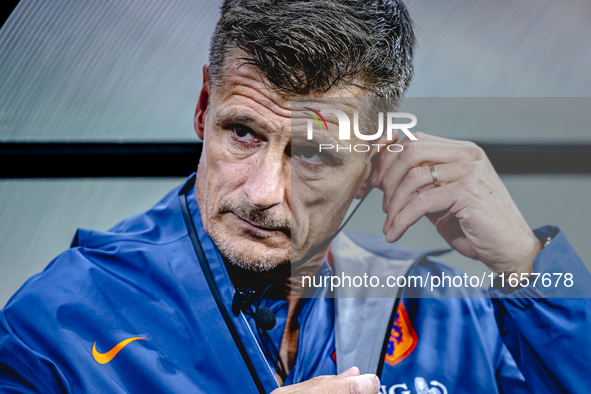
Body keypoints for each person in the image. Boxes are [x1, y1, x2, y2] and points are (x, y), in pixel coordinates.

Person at [1, 0, 590, 393]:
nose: (262, 193)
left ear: (376, 159)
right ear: (205, 106)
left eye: (313, 154)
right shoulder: (56, 329)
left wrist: (527, 268)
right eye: (243, 132)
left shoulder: (450, 314)